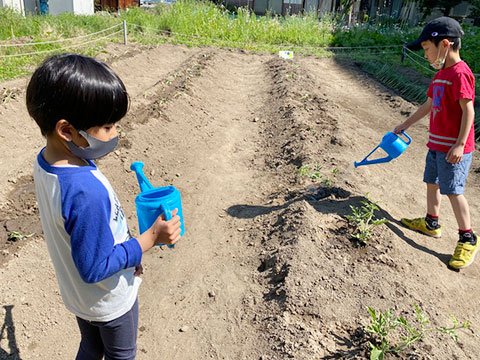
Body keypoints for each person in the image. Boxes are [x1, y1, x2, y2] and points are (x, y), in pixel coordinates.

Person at [27, 53, 182, 359]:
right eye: (108, 127)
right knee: (120, 354)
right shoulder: (85, 192)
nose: (115, 135)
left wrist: (125, 252)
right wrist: (148, 240)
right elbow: (96, 267)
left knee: (91, 346)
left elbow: (89, 243)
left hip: (81, 297)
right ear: (67, 131)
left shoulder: (47, 162)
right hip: (109, 301)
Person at [394, 17, 476, 270]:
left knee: (452, 190)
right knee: (432, 182)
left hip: (454, 148)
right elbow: (429, 104)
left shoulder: (460, 74)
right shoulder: (441, 74)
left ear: (445, 44)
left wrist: (460, 144)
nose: (426, 54)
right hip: (437, 144)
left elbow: (468, 111)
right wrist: (405, 125)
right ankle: (431, 222)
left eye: (428, 48)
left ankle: (468, 237)